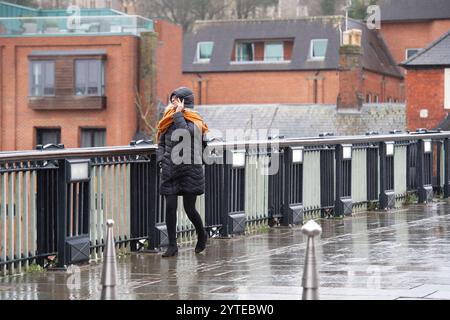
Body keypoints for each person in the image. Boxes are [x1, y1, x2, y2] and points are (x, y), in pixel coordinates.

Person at [156, 87, 209, 257]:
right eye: (172, 100)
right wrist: (161, 159)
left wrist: (178, 114)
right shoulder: (168, 119)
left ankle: (202, 235)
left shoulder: (196, 121)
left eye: (176, 100)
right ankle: (172, 246)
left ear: (185, 102)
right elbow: (161, 142)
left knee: (189, 209)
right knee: (170, 207)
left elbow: (185, 135)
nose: (173, 103)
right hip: (170, 168)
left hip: (189, 169)